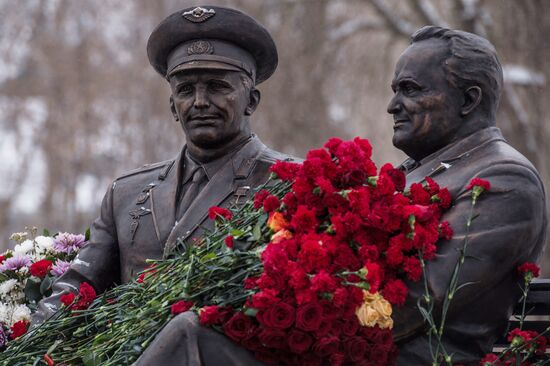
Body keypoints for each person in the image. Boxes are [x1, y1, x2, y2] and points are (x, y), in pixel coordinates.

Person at [34, 7, 292, 362]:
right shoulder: (126, 193)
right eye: (186, 90)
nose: (200, 102)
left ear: (252, 100)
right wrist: (29, 343)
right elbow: (78, 286)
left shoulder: (288, 182)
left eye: (218, 87)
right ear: (173, 105)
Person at [388, 26, 547, 365]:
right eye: (395, 91)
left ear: (469, 99)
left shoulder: (506, 179)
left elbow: (422, 298)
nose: (393, 106)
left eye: (410, 90)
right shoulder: (415, 169)